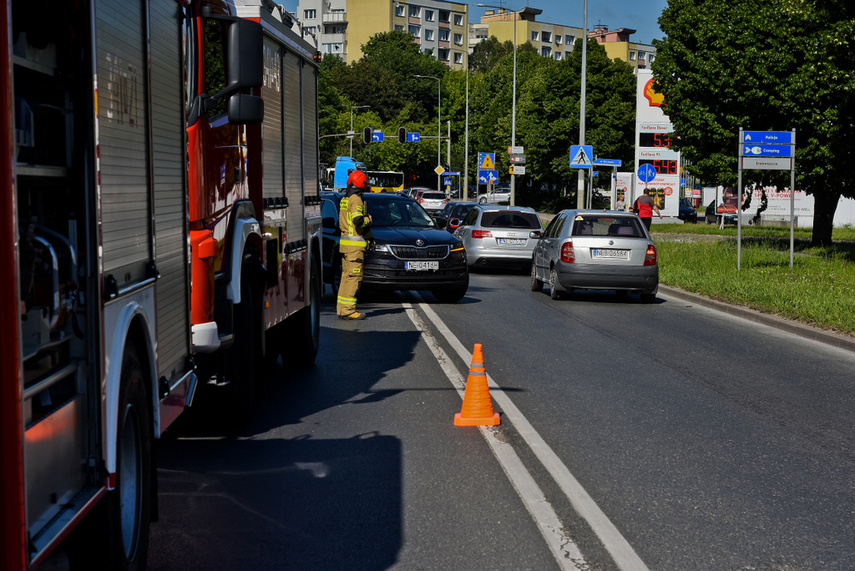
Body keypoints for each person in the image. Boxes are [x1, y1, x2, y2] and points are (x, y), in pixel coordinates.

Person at [337, 170, 373, 320]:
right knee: (354, 278)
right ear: (362, 183)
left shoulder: (345, 198)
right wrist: (369, 219)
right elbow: (358, 221)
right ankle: (349, 310)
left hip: (345, 246)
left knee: (346, 277)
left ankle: (342, 309)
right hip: (354, 247)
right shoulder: (356, 199)